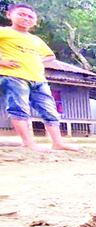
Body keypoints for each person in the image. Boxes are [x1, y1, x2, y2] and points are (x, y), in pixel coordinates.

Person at [0, 4, 80, 153]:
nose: (26, 18)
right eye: (21, 14)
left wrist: (35, 60)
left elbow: (51, 56)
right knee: (19, 109)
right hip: (14, 76)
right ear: (9, 15)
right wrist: (1, 60)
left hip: (38, 78)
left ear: (35, 21)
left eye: (30, 16)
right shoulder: (4, 32)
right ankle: (28, 143)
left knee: (50, 110)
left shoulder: (35, 40)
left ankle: (58, 143)